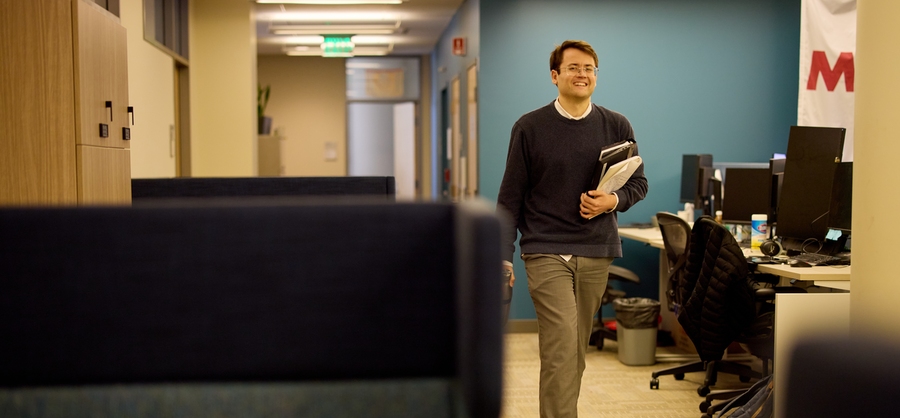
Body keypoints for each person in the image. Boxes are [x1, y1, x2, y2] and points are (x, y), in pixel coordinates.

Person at [496, 40, 648, 418]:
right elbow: (510, 197)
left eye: (589, 68)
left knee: (574, 352)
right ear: (555, 76)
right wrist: (503, 256)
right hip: (546, 249)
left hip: (596, 248)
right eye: (574, 68)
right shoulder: (529, 127)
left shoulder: (617, 125)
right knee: (562, 347)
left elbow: (637, 184)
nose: (582, 74)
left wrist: (611, 202)